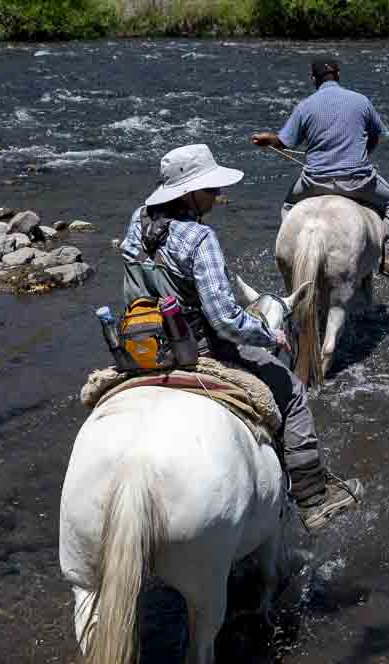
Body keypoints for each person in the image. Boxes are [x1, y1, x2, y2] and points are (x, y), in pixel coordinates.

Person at [120, 143, 363, 533]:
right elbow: (225, 319)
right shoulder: (199, 239)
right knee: (294, 393)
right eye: (210, 188)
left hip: (140, 345)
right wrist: (269, 334)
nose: (218, 195)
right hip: (194, 349)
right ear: (188, 193)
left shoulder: (137, 220)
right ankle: (314, 498)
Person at [251, 60, 389, 281]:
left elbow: (284, 142)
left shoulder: (305, 106)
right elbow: (375, 136)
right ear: (338, 74)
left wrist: (268, 139)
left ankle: (292, 254)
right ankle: (388, 259)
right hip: (358, 180)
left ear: (313, 79)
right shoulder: (361, 101)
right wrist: (364, 153)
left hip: (315, 182)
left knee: (289, 206)